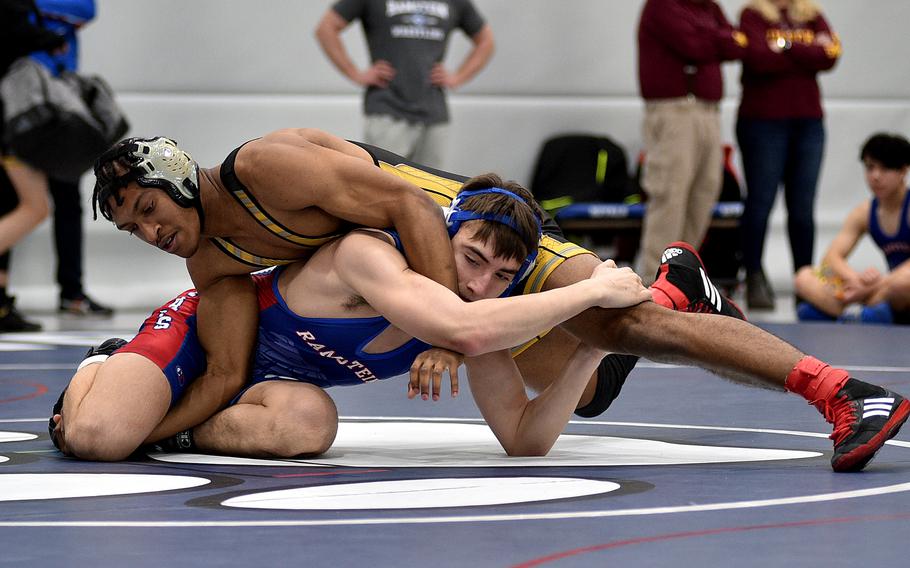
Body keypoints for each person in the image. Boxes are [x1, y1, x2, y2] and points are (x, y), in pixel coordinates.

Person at [94, 131, 910, 472]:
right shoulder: (211, 255)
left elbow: (412, 209)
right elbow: (229, 359)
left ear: (172, 177)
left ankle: (842, 392)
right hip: (427, 276)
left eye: (147, 209)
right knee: (588, 386)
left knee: (626, 323)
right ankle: (674, 285)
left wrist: (453, 331)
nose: (148, 230)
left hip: (463, 228)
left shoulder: (264, 169)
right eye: (131, 228)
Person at [52, 177, 652, 460]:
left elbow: (526, 440)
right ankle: (102, 364)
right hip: (200, 337)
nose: (477, 285)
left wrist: (591, 348)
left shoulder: (475, 314)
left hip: (261, 387)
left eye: (501, 277)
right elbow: (467, 329)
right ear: (439, 235)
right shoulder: (370, 254)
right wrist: (587, 293)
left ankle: (174, 429)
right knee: (97, 439)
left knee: (310, 427)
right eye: (470, 259)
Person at [736, 0, 840, 309]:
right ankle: (754, 276)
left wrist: (782, 45)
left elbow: (830, 55)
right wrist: (803, 50)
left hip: (808, 123)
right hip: (763, 123)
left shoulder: (812, 14)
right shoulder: (752, 14)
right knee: (760, 203)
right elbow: (757, 59)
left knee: (803, 209)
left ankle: (804, 281)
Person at [634, 0, 747, 283]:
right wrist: (719, 38)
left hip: (709, 110)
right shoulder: (662, 6)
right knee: (670, 194)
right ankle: (652, 281)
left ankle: (680, 278)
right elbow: (694, 47)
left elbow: (738, 44)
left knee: (706, 190)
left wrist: (713, 38)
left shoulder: (709, 7)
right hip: (675, 110)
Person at [314, 0, 494, 168]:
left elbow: (486, 40)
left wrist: (458, 77)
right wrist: (355, 73)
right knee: (382, 185)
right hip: (388, 109)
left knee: (431, 193)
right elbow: (327, 27)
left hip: (434, 114)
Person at [30, 0, 112, 316]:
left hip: (61, 97)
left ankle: (72, 292)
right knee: (18, 203)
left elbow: (86, 9)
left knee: (67, 200)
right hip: (25, 100)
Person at [0, 0, 67, 331]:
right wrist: (48, 38)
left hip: (10, 117)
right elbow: (11, 29)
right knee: (34, 206)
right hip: (11, 120)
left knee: (11, 205)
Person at [794, 133, 910, 324]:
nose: (876, 176)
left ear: (903, 171)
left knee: (903, 282)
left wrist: (875, 284)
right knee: (804, 276)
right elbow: (830, 259)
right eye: (870, 168)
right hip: (881, 291)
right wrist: (856, 279)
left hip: (897, 287)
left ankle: (839, 313)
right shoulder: (864, 212)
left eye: (885, 168)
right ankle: (862, 315)